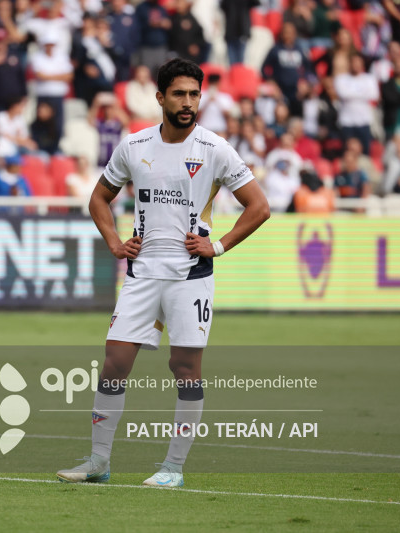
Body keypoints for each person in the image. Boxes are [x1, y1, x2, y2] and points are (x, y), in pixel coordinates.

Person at [55, 58, 270, 488]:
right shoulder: (134, 147)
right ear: (160, 98)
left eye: (194, 94)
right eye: (179, 94)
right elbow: (99, 199)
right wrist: (115, 242)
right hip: (141, 274)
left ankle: (173, 468)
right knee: (114, 363)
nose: (188, 102)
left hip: (191, 276)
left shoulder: (215, 149)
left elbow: (259, 207)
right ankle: (99, 461)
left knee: (185, 369)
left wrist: (220, 244)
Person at [334, 53, 379, 155]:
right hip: (346, 121)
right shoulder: (341, 78)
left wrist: (351, 93)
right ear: (349, 64)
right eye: (353, 62)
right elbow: (342, 93)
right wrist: (363, 93)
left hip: (364, 121)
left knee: (365, 152)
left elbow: (374, 95)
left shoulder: (369, 78)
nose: (356, 65)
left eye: (358, 62)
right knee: (347, 152)